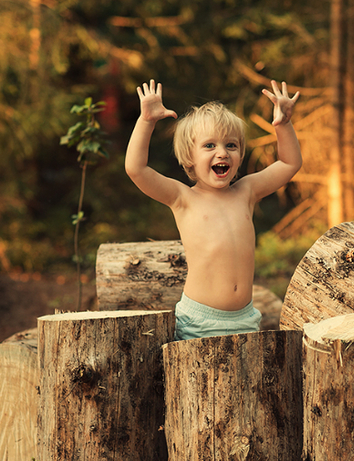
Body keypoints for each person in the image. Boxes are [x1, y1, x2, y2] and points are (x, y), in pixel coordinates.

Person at [125, 79, 301, 340]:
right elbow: (136, 169)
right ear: (189, 157)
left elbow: (289, 163)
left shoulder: (246, 192)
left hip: (245, 319)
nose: (222, 153)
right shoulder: (183, 198)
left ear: (240, 154)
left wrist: (284, 125)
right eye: (210, 145)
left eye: (231, 145)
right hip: (199, 322)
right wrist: (146, 121)